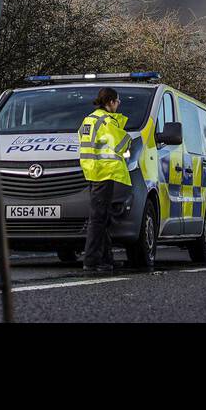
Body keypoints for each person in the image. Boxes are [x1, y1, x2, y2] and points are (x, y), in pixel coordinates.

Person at [78, 87, 131, 272]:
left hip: (92, 171)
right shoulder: (107, 121)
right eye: (117, 101)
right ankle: (92, 261)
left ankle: (106, 258)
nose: (118, 104)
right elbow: (121, 144)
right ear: (110, 102)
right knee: (98, 219)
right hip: (104, 172)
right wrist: (130, 138)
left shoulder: (89, 119)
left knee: (103, 218)